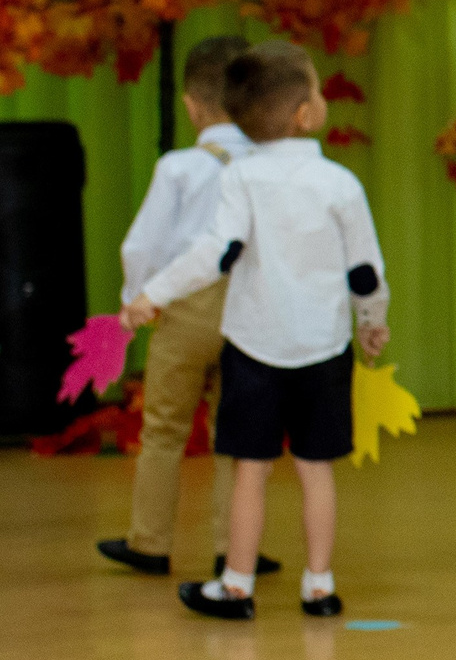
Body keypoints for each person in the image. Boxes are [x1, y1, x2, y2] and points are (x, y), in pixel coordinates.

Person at [121, 42, 390, 622]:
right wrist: (371, 321)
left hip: (254, 348)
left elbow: (212, 255)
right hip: (323, 348)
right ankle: (319, 585)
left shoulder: (240, 180)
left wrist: (151, 294)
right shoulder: (340, 183)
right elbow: (364, 267)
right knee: (316, 471)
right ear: (305, 113)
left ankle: (235, 585)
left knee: (251, 469)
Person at [94, 35, 274, 583]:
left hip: (187, 306)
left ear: (193, 105)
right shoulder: (269, 166)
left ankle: (150, 542)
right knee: (238, 434)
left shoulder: (179, 167)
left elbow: (142, 245)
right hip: (251, 307)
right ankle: (233, 547)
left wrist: (135, 299)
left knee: (165, 429)